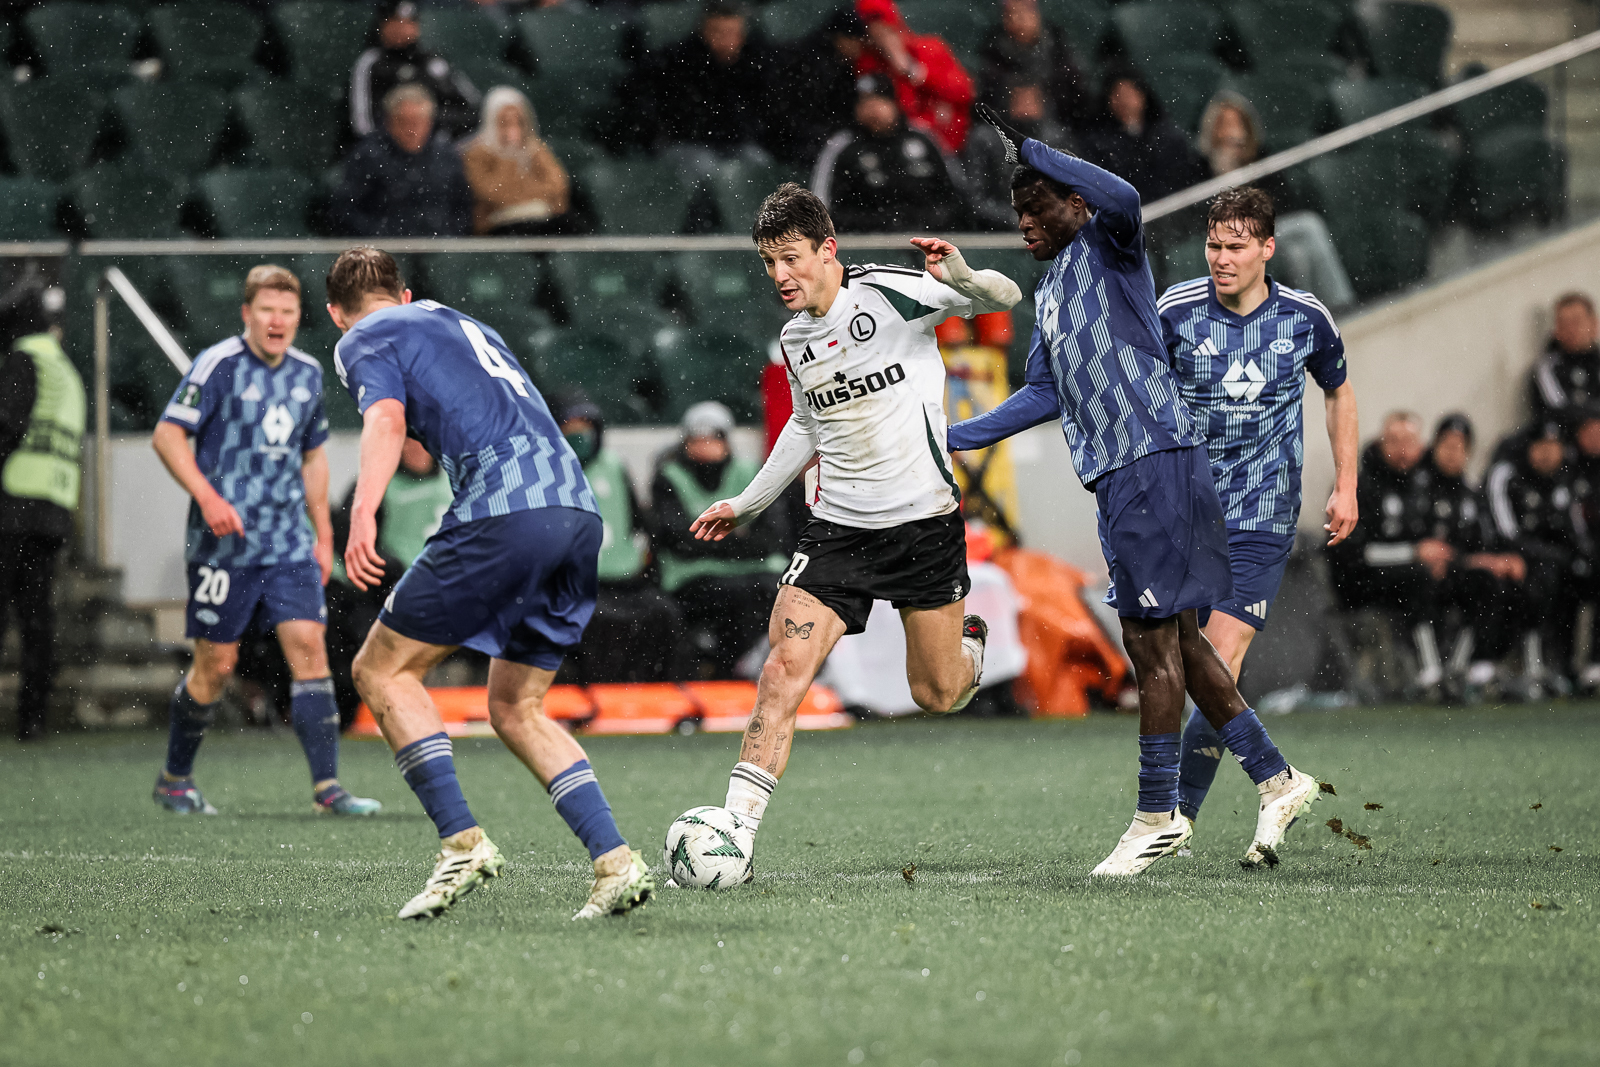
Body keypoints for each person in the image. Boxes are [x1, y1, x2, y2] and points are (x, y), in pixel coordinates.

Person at [946, 108, 1319, 875]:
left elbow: (1121, 193)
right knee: (1180, 639)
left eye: (1034, 208)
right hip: (1123, 473)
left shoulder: (1109, 246)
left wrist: (1042, 148)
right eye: (1015, 213)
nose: (1022, 225)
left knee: (1149, 646)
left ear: (1071, 205)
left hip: (1154, 458)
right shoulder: (1048, 295)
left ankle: (1157, 814)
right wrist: (955, 437)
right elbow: (1042, 394)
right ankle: (1278, 779)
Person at [686, 183, 1021, 867]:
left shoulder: (894, 293)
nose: (779, 276)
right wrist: (746, 503)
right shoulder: (794, 336)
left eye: (790, 258)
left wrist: (960, 277)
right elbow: (806, 424)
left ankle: (971, 647)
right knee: (782, 670)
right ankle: (735, 837)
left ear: (827, 249)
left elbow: (1004, 296)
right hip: (837, 530)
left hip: (924, 525)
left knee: (937, 692)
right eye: (768, 263)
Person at [326, 247, 653, 920]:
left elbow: (385, 419)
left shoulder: (365, 334)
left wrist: (362, 510)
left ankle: (461, 842)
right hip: (576, 511)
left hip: (505, 508)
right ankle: (615, 860)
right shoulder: (463, 322)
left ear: (335, 314)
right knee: (515, 704)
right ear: (407, 291)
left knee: (381, 670)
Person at [1154, 185, 1359, 840]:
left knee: (1219, 650)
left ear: (1268, 248)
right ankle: (1214, 802)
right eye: (1214, 244)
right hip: (1188, 510)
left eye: (1236, 246)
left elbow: (1338, 390)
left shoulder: (1305, 317)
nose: (1222, 257)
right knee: (1202, 666)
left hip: (1263, 512)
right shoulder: (1175, 312)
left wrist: (1346, 482)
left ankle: (1181, 813)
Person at [150, 265, 380, 816]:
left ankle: (328, 789)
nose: (277, 321)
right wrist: (208, 497)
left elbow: (313, 455)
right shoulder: (219, 366)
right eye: (267, 311)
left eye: (288, 312)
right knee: (217, 664)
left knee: (309, 647)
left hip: (287, 541)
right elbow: (167, 434)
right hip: (223, 545)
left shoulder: (305, 373)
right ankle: (174, 778)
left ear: (300, 318)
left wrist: (323, 530)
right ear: (246, 314)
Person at [651, 401, 786, 680]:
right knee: (734, 595)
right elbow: (678, 540)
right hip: (692, 575)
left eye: (713, 438)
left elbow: (773, 536)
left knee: (785, 592)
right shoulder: (669, 477)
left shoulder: (750, 473)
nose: (705, 446)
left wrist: (709, 538)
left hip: (753, 570)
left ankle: (770, 667)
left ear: (726, 440)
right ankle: (733, 671)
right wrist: (738, 536)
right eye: (697, 439)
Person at [0, 275, 80, 743]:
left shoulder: (22, 359)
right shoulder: (66, 370)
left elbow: (7, 424)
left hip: (15, 504)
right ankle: (33, 719)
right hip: (54, 508)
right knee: (36, 617)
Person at [554, 392, 683, 684]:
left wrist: (644, 561)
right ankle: (602, 688)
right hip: (573, 584)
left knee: (664, 612)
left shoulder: (614, 466)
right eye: (570, 428)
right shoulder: (547, 472)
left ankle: (662, 689)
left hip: (623, 577)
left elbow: (639, 522)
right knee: (598, 618)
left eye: (585, 427)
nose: (579, 435)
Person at [327, 435, 453, 724]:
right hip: (388, 594)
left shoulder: (455, 483)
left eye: (421, 441)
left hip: (449, 591)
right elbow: (352, 545)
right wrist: (390, 569)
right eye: (407, 442)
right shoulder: (374, 488)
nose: (416, 450)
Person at [1324, 412, 1453, 693]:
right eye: (1394, 441)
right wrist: (1414, 553)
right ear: (1381, 443)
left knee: (1462, 578)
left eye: (1409, 440)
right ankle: (1430, 673)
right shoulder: (1358, 487)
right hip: (1359, 582)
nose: (1402, 449)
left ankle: (1469, 670)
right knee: (1419, 578)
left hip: (1407, 575)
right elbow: (1353, 554)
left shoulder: (1427, 486)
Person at [1421, 414, 1528, 696]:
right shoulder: (1421, 488)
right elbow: (1425, 543)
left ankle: (1477, 666)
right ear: (1434, 446)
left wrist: (1501, 559)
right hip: (1428, 574)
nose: (1453, 452)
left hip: (1463, 572)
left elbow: (1484, 544)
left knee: (1508, 581)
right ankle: (1439, 672)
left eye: (1460, 446)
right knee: (1479, 581)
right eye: (1447, 444)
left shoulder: (1471, 495)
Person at [1483, 420, 1592, 695]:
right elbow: (1506, 534)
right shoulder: (1507, 475)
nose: (1547, 453)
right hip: (1518, 558)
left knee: (1585, 574)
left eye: (1553, 446)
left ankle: (1581, 666)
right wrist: (1553, 556)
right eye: (1541, 446)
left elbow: (1575, 531)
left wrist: (1580, 557)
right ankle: (1533, 665)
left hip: (1556, 560)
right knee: (1542, 578)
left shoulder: (1567, 479)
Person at [646, 1, 777, 208]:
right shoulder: (678, 62)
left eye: (732, 33)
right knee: (707, 170)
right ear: (703, 32)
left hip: (739, 144)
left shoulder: (756, 62)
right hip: (689, 144)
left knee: (760, 166)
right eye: (718, 32)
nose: (726, 40)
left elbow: (764, 114)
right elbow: (678, 118)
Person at [811, 75, 972, 232]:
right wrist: (879, 223)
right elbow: (822, 209)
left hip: (929, 239)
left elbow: (957, 194)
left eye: (879, 102)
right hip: (866, 246)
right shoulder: (842, 146)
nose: (873, 110)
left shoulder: (922, 137)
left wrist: (927, 222)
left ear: (894, 104)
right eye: (865, 103)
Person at [333, 84, 473, 239]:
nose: (411, 130)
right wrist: (381, 240)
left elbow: (462, 208)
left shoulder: (447, 156)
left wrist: (447, 240)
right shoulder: (367, 155)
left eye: (418, 121)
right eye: (403, 122)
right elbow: (346, 210)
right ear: (388, 122)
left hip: (440, 254)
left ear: (430, 122)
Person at [854, 0, 975, 154]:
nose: (882, 37)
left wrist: (912, 70)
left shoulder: (930, 48)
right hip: (898, 149)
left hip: (949, 148)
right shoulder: (869, 64)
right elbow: (882, 113)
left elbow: (964, 92)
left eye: (887, 30)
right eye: (874, 30)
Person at [351, 0, 479, 141]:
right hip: (388, 152)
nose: (403, 28)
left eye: (410, 22)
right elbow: (363, 124)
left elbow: (472, 108)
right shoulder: (371, 62)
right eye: (396, 21)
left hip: (438, 151)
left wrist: (431, 120)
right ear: (382, 25)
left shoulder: (434, 61)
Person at [1078, 67, 1206, 204]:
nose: (1123, 101)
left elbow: (1185, 180)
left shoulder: (1169, 136)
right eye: (1116, 95)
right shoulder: (1097, 145)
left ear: (1143, 95)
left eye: (1128, 93)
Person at [460, 86, 572, 237]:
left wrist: (523, 195)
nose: (513, 130)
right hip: (500, 227)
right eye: (504, 123)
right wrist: (509, 154)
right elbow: (494, 196)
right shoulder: (476, 154)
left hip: (541, 220)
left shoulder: (536, 150)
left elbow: (558, 186)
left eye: (518, 122)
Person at [965, 73, 1069, 230]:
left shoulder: (1056, 139)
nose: (1025, 110)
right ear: (1007, 104)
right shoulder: (985, 140)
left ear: (1043, 105)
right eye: (1019, 102)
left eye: (1031, 102)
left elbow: (1070, 191)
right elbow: (976, 199)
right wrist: (1012, 217)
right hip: (995, 235)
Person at [772, 6, 870, 165]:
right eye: (855, 41)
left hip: (822, 135)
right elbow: (795, 113)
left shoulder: (842, 65)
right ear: (840, 37)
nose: (859, 48)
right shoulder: (806, 62)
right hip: (794, 140)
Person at [976, 0, 1090, 134]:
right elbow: (985, 96)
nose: (1016, 19)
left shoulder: (1058, 46)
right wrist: (1013, 97)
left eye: (1023, 12)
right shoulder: (992, 48)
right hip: (1003, 126)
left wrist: (1041, 96)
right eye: (1009, 14)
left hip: (1056, 124)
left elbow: (1077, 95)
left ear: (1036, 14)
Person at [1527, 291, 1600, 427]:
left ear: (1594, 325)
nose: (1571, 330)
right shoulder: (1546, 368)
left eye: (1576, 322)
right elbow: (1558, 410)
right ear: (1556, 331)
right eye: (1564, 323)